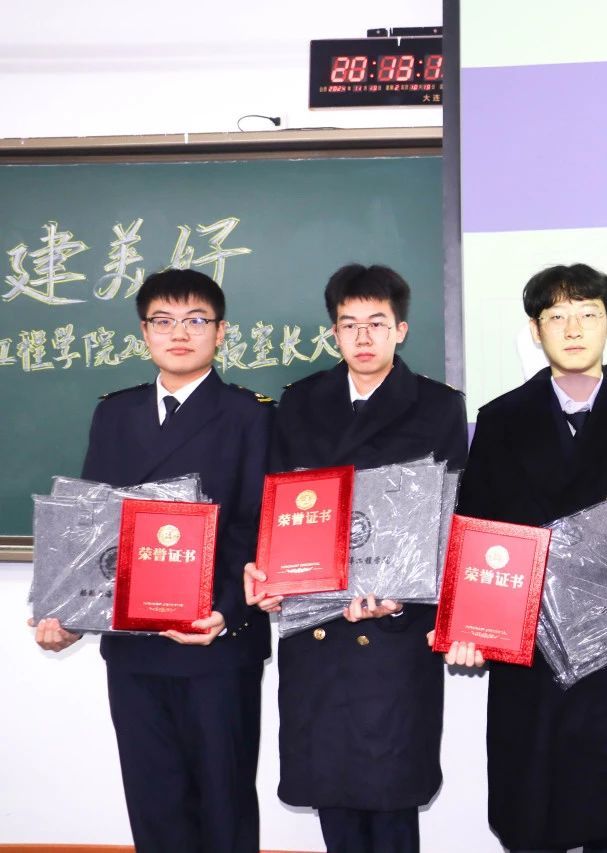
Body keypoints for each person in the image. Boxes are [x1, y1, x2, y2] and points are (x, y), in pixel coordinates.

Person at [32, 268, 273, 853]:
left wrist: (224, 611)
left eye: (195, 320)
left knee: (223, 803)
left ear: (220, 332)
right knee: (153, 802)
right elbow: (91, 527)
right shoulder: (115, 413)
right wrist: (69, 614)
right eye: (163, 321)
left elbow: (257, 525)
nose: (179, 334)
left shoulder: (251, 414)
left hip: (216, 641)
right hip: (134, 646)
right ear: (144, 332)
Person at [456, 263, 607, 853]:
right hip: (534, 665)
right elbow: (476, 534)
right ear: (536, 330)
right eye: (556, 316)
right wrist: (470, 626)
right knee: (535, 818)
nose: (574, 328)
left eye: (588, 313)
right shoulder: (501, 419)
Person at [244, 263, 468, 853]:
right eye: (349, 325)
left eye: (377, 323)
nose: (363, 337)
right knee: (334, 793)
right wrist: (268, 572)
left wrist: (404, 596)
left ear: (401, 330)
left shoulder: (438, 407)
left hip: (395, 633)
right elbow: (278, 504)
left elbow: (449, 521)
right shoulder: (300, 402)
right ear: (334, 333)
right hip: (317, 628)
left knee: (391, 800)